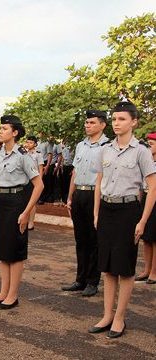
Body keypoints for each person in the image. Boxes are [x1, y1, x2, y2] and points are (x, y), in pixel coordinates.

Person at [88, 101, 155, 338]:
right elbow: (99, 182)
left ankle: (119, 318)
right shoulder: (105, 149)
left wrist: (143, 221)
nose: (117, 123)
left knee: (124, 268)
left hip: (129, 213)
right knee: (107, 267)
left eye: (122, 119)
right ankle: (106, 315)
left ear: (134, 122)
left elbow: (153, 187)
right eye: (114, 119)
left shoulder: (142, 151)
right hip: (106, 210)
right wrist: (96, 212)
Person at [0, 115, 43, 310]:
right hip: (0, 200)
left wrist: (26, 212)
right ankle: (3, 291)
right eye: (0, 128)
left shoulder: (23, 155)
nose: (0, 131)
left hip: (17, 201)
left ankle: (13, 295)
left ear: (15, 133)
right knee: (2, 248)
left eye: (4, 129)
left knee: (15, 250)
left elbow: (38, 185)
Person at [63, 110, 110, 297]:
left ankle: (92, 281)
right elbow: (75, 172)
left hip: (95, 195)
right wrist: (69, 196)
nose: (87, 125)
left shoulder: (107, 146)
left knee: (94, 239)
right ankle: (80, 279)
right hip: (79, 195)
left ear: (102, 125)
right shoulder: (81, 145)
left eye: (91, 122)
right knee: (80, 239)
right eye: (86, 122)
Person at [137, 132, 156, 284]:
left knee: (155, 238)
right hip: (146, 199)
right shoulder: (146, 161)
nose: (149, 147)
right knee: (146, 238)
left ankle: (154, 273)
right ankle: (146, 269)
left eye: (152, 145)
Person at [24, 135, 44, 231]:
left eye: (31, 142)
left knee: (32, 202)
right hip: (25, 180)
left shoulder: (38, 155)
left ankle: (31, 222)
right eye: (27, 142)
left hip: (34, 180)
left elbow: (40, 169)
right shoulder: (24, 154)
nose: (28, 144)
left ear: (35, 144)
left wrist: (40, 182)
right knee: (25, 201)